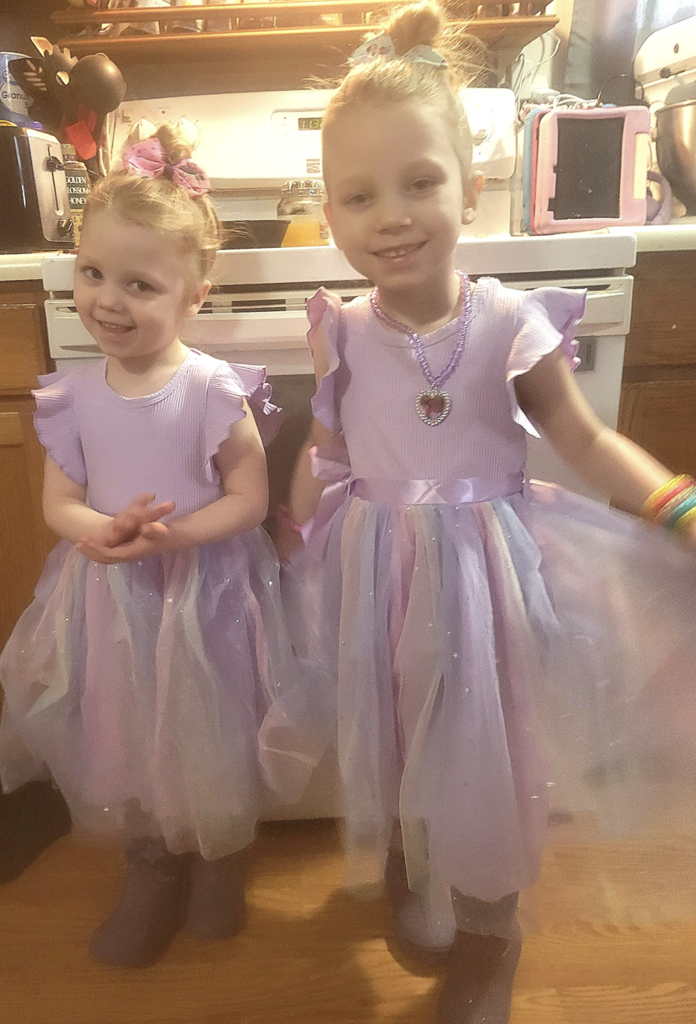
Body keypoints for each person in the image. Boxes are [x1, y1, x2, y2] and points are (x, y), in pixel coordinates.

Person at [275, 4, 696, 1021]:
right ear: (330, 213)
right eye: (359, 195)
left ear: (471, 185)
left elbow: (585, 439)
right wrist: (290, 546)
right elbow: (327, 450)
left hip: (482, 582)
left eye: (420, 182)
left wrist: (674, 500)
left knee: (485, 761)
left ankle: (489, 932)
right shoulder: (339, 332)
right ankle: (413, 864)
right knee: (392, 739)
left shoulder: (509, 321)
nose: (391, 215)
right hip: (374, 579)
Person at [0, 125, 311, 969]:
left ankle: (217, 856)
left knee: (209, 730)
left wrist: (175, 534)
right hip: (111, 596)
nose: (108, 299)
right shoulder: (72, 395)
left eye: (139, 284)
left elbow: (249, 499)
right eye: (92, 273)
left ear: (194, 296)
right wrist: (101, 532)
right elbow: (58, 503)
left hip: (205, 594)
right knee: (127, 729)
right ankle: (149, 864)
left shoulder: (212, 388)